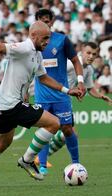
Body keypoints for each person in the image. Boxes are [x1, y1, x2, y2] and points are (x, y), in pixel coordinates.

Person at [0, 21, 82, 188]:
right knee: (54, 123)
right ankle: (27, 160)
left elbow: (44, 78)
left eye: (48, 38)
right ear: (33, 36)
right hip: (11, 104)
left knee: (2, 143)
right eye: (44, 38)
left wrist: (67, 90)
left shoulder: (38, 55)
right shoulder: (24, 48)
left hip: (2, 105)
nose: (47, 42)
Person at [33, 9, 86, 175]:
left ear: (52, 21)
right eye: (41, 21)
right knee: (44, 130)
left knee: (67, 129)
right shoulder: (31, 44)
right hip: (41, 96)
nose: (45, 23)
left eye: (47, 20)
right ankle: (42, 166)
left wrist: (81, 81)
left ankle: (76, 164)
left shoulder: (62, 40)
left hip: (61, 95)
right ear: (36, 23)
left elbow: (76, 61)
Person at [46, 42, 112, 157]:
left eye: (94, 54)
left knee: (70, 134)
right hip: (54, 97)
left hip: (64, 100)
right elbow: (51, 73)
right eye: (88, 53)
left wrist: (101, 96)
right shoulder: (71, 63)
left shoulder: (89, 69)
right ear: (82, 51)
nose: (91, 56)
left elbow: (90, 88)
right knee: (64, 132)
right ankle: (40, 158)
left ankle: (41, 158)